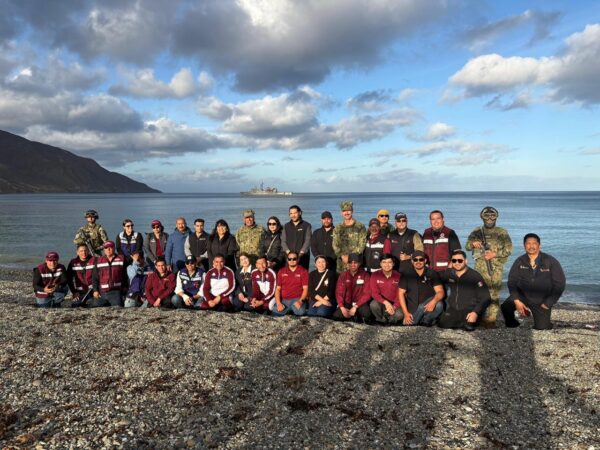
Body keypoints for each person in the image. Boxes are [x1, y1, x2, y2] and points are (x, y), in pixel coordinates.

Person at [501, 233, 566, 330]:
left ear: (539, 245)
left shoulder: (550, 261)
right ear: (524, 246)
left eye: (534, 243)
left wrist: (548, 302)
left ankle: (543, 320)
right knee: (505, 307)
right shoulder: (520, 261)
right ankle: (513, 324)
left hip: (541, 300)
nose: (531, 246)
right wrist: (516, 300)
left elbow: (560, 284)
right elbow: (512, 282)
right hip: (522, 295)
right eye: (528, 243)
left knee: (542, 328)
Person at [465, 206, 513, 327]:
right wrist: (473, 243)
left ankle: (491, 320)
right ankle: (478, 317)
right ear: (482, 217)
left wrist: (494, 254)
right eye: (487, 216)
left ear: (496, 217)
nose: (490, 219)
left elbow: (508, 250)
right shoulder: (477, 231)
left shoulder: (502, 232)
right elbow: (467, 246)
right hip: (479, 268)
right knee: (478, 293)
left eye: (492, 216)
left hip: (495, 268)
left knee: (494, 295)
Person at [438, 250, 491, 331]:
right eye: (454, 261)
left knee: (468, 327)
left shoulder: (475, 276)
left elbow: (486, 297)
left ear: (465, 261)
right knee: (442, 324)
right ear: (451, 262)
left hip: (470, 310)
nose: (457, 263)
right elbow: (434, 277)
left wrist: (475, 312)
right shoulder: (449, 274)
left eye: (460, 260)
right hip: (454, 309)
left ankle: (472, 320)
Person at [398, 250, 445, 326]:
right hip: (413, 309)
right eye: (415, 260)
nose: (418, 262)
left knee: (439, 305)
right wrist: (406, 313)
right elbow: (400, 293)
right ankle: (420, 320)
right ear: (412, 261)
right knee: (408, 325)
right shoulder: (406, 274)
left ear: (425, 261)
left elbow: (440, 292)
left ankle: (426, 321)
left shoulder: (432, 273)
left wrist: (433, 302)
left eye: (421, 259)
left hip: (429, 306)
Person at [332, 253, 373, 322]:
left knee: (367, 314)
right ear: (348, 264)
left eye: (355, 262)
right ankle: (351, 317)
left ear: (359, 263)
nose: (353, 265)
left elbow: (368, 294)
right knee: (336, 316)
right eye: (350, 262)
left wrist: (355, 306)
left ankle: (356, 316)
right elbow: (339, 292)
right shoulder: (343, 275)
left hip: (359, 303)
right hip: (347, 303)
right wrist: (342, 307)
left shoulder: (365, 275)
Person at [332, 201, 367, 272]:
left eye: (348, 210)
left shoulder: (360, 226)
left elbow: (362, 244)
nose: (346, 213)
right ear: (341, 213)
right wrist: (342, 256)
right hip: (342, 263)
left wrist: (352, 258)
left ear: (352, 211)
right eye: (344, 211)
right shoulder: (338, 228)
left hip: (356, 262)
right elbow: (335, 244)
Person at [272, 251, 309, 317]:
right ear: (287, 260)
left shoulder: (303, 271)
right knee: (275, 311)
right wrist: (278, 303)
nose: (292, 261)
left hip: (297, 299)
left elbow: (306, 289)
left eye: (294, 259)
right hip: (284, 300)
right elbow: (278, 289)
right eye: (290, 259)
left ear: (298, 260)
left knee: (301, 312)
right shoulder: (281, 271)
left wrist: (300, 301)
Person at [369, 254, 403, 324]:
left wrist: (394, 307)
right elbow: (374, 293)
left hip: (396, 304)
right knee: (373, 305)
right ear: (380, 264)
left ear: (393, 264)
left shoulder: (399, 276)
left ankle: (390, 321)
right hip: (382, 303)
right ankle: (381, 321)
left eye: (389, 262)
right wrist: (386, 303)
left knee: (399, 315)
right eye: (384, 262)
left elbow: (401, 295)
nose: (387, 265)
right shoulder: (375, 275)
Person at [92, 241, 126, 307]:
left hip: (116, 292)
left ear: (114, 248)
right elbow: (94, 277)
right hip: (102, 292)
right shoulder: (98, 260)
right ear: (104, 249)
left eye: (110, 247)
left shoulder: (121, 259)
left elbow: (125, 275)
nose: (108, 249)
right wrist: (95, 290)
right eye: (106, 248)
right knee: (97, 307)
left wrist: (125, 287)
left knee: (117, 307)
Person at [281, 205, 312, 270]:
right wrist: (289, 254)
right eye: (291, 213)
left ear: (300, 213)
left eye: (295, 213)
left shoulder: (307, 225)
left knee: (302, 274)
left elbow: (308, 241)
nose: (293, 215)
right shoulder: (286, 226)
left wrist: (300, 254)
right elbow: (283, 241)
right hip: (289, 258)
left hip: (303, 257)